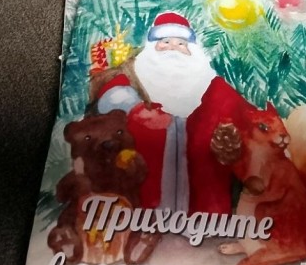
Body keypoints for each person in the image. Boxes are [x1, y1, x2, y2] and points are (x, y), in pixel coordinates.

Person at [90, 11, 229, 214]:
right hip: (143, 169)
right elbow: (111, 95)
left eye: (181, 43)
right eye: (165, 41)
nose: (173, 47)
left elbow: (228, 105)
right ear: (152, 45)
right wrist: (136, 110)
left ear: (192, 49)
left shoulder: (206, 79)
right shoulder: (135, 71)